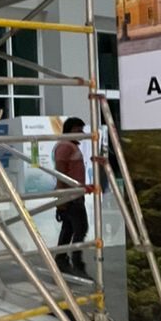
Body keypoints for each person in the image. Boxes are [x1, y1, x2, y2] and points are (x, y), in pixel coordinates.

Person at [53, 116, 90, 279]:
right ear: (69, 130)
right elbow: (60, 172)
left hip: (74, 194)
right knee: (81, 228)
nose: (81, 133)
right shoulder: (65, 146)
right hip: (71, 195)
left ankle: (62, 259)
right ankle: (76, 262)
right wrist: (61, 197)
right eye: (78, 130)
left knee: (69, 228)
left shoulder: (70, 146)